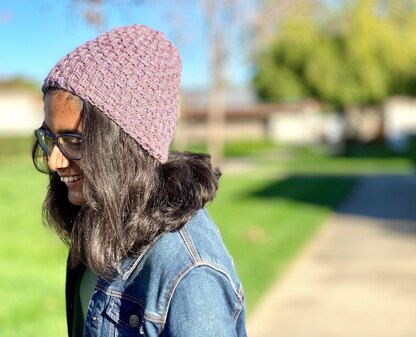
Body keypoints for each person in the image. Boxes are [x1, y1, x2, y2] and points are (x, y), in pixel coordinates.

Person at [32, 24, 247, 337]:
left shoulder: (190, 272)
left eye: (74, 141)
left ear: (126, 143)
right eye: (50, 138)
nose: (54, 160)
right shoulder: (101, 217)